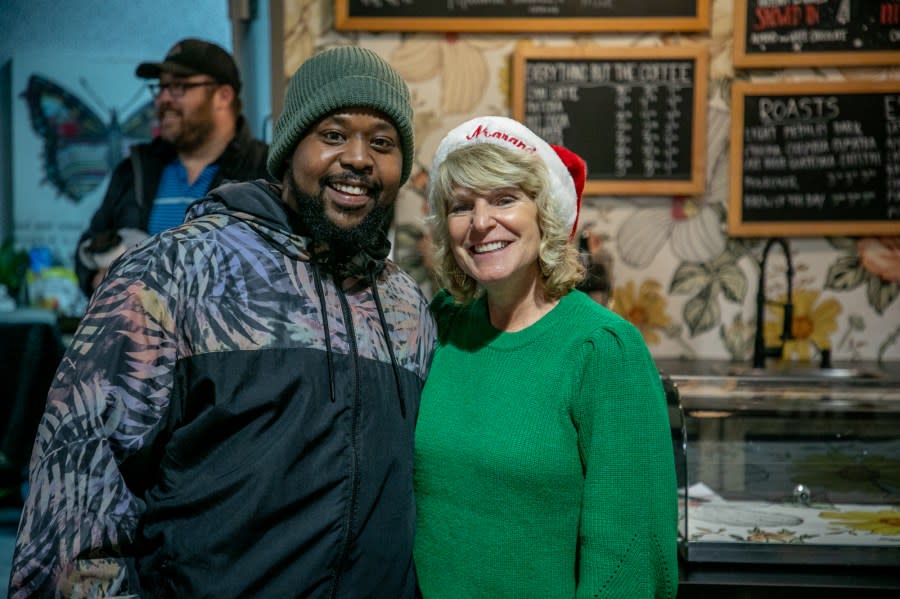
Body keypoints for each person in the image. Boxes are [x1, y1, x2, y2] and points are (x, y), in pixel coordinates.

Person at [10, 46, 436, 599]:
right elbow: (78, 479)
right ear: (288, 150)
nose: (358, 157)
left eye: (382, 143)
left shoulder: (407, 308)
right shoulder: (175, 271)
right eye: (332, 135)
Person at [414, 116, 678, 598]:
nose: (480, 223)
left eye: (504, 199)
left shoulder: (603, 349)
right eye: (460, 206)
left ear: (546, 212)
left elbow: (632, 558)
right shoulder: (444, 322)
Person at [75, 37, 270, 295]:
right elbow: (87, 248)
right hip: (136, 331)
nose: (163, 99)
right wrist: (98, 279)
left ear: (223, 96)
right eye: (161, 87)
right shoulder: (134, 170)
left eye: (178, 87)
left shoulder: (264, 170)